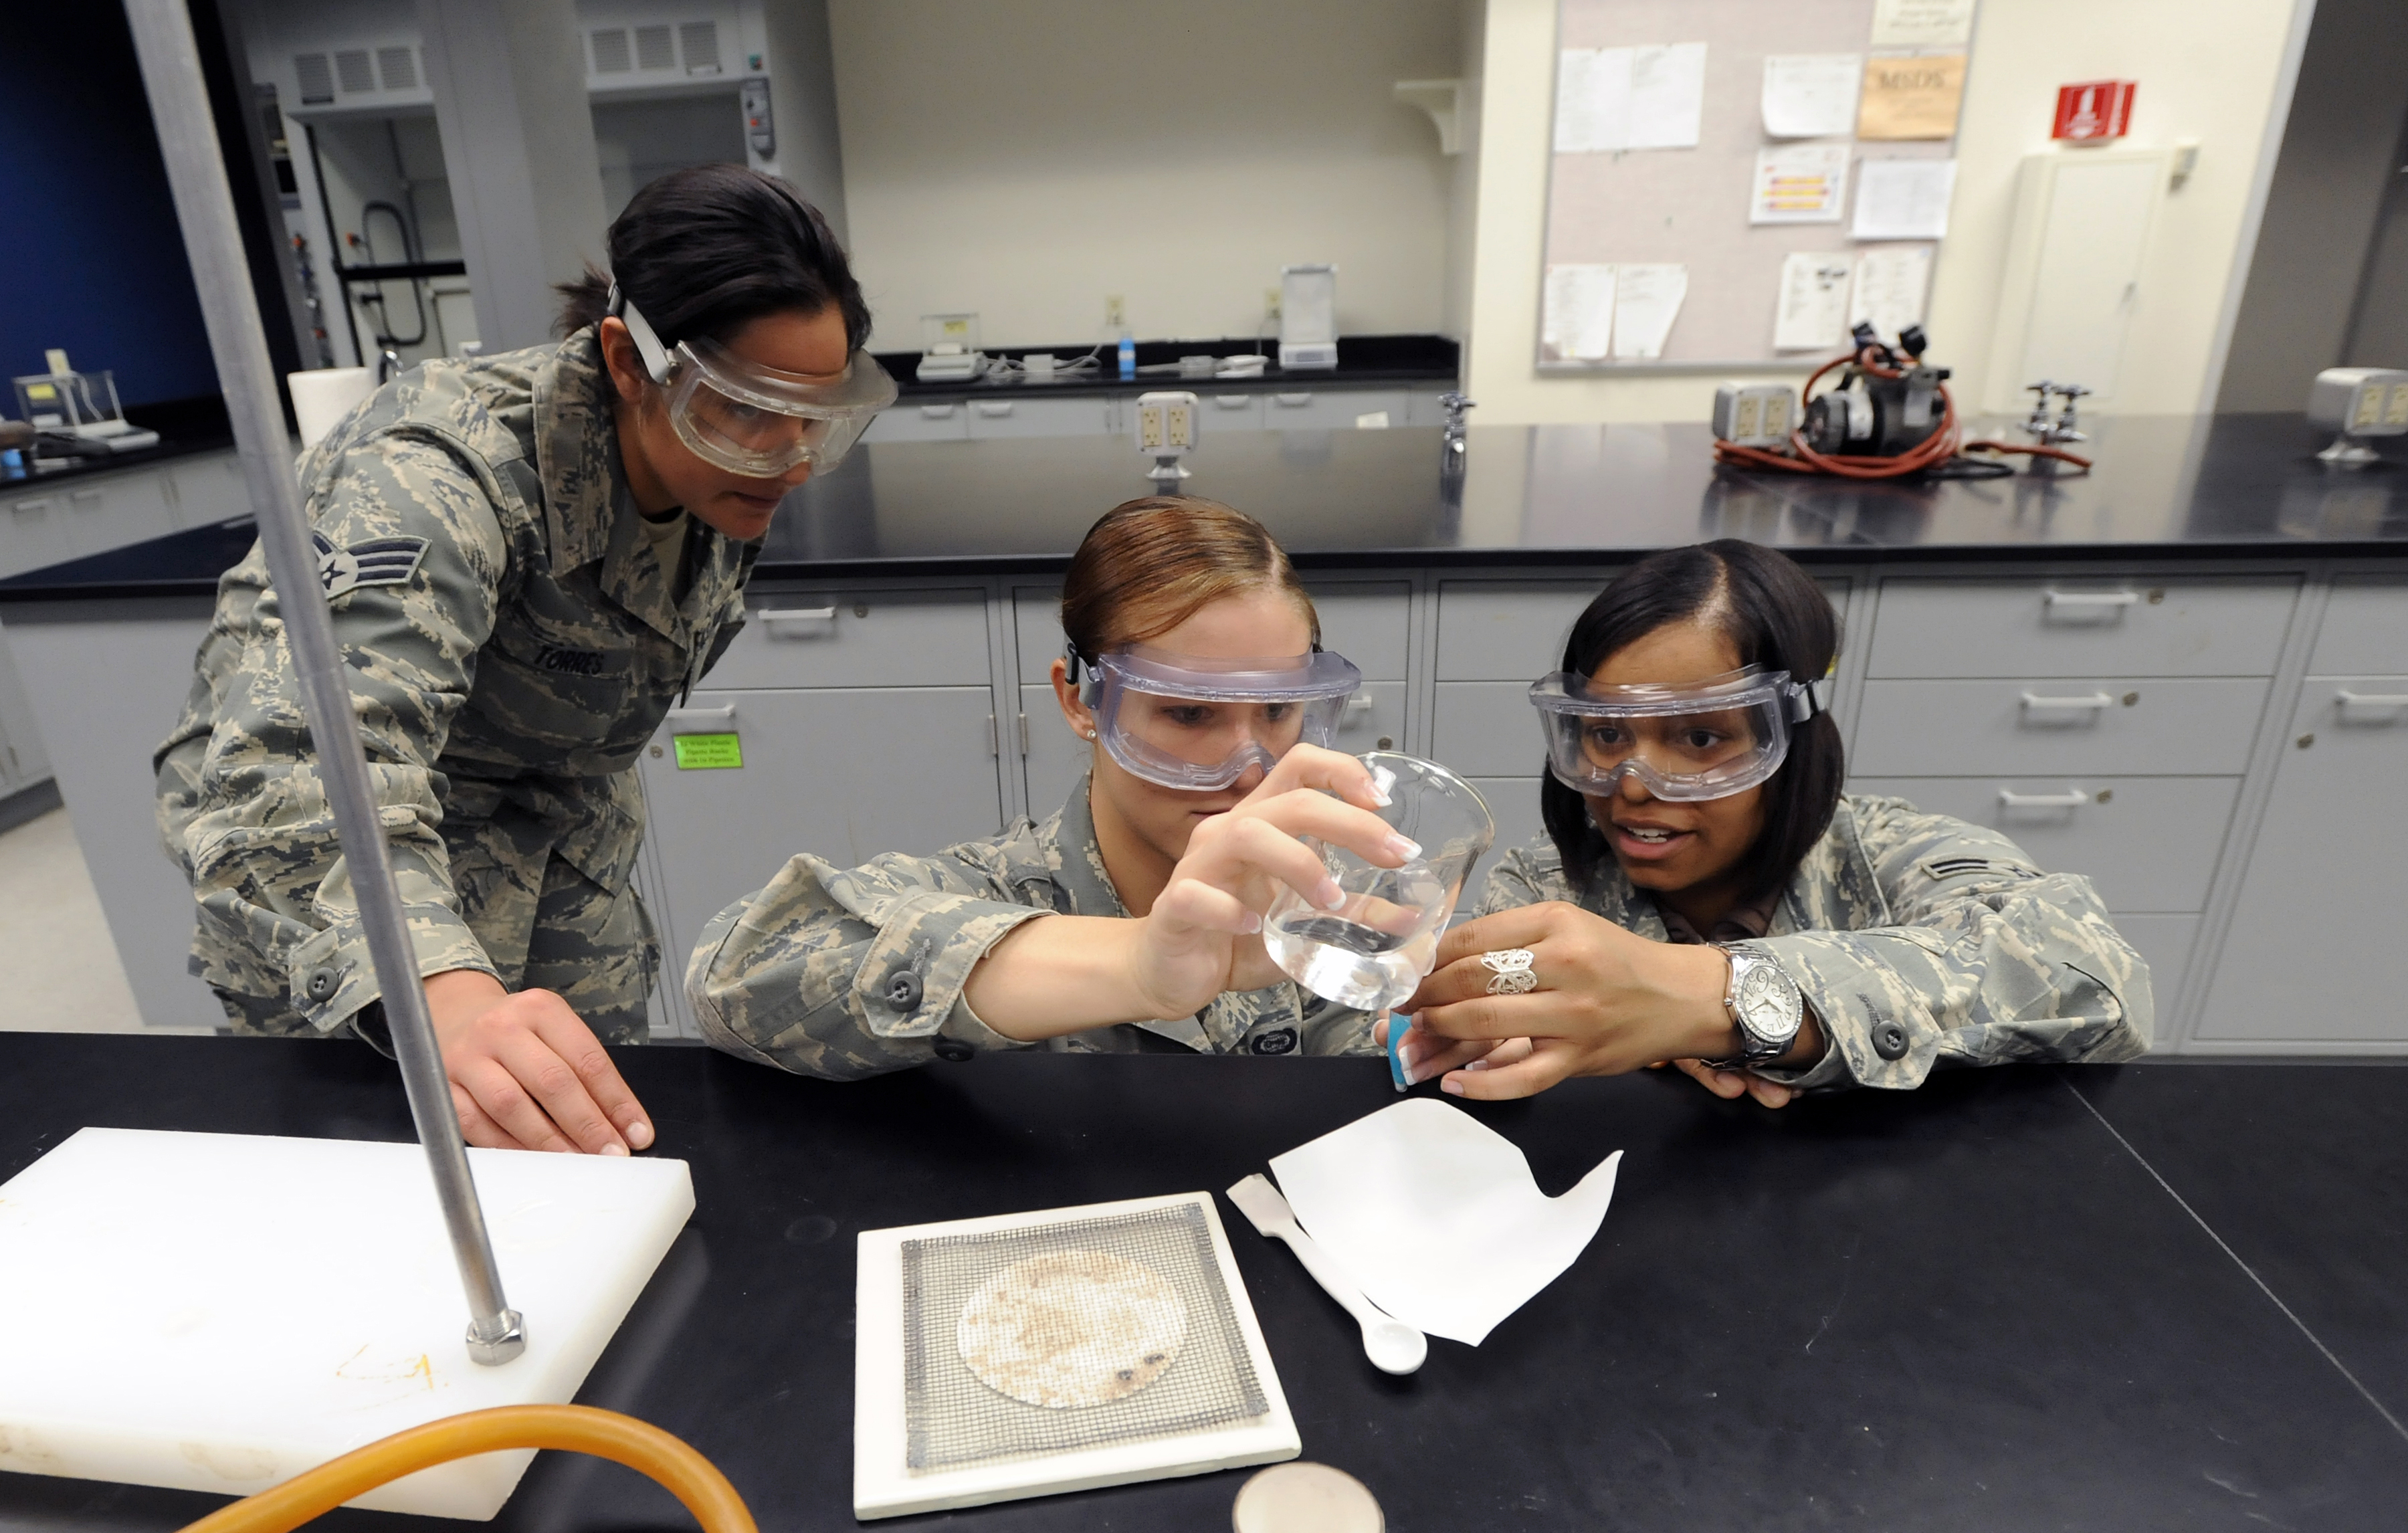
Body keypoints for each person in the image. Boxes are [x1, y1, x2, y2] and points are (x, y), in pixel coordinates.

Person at [155, 165, 894, 1154]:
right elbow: (299, 769)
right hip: (346, 883)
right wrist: (442, 995)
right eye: (750, 410)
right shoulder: (435, 475)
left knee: (600, 1158)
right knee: (392, 1203)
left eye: (818, 415)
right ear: (630, 362)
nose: (795, 459)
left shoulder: (715, 466)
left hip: (558, 839)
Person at [1388, 540, 2151, 1105]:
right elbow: (1439, 1052)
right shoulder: (1547, 890)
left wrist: (1721, 999)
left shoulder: (1890, 857)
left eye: (1699, 739)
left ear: (1791, 735)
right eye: (1608, 733)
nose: (1635, 786)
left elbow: (2093, 980)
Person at [687, 496, 1409, 1074]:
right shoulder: (993, 891)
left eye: (1279, 712)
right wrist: (1132, 964)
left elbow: (1364, 1052)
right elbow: (734, 975)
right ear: (1080, 701)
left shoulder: (1301, 894)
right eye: (1189, 713)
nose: (1249, 768)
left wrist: (1441, 1041)